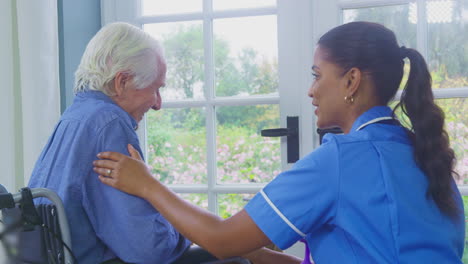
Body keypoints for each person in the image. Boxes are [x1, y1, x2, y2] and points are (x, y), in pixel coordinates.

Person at [93, 22, 465, 263]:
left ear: (351, 81)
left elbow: (221, 240)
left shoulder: (340, 160)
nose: (311, 89)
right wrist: (252, 246)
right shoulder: (424, 154)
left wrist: (147, 185)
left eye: (318, 75)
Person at [28, 22, 191, 264]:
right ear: (122, 81)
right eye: (155, 88)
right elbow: (148, 249)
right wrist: (187, 228)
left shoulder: (74, 117)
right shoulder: (109, 123)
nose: (158, 104)